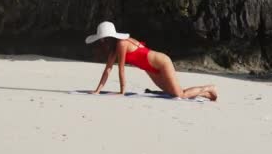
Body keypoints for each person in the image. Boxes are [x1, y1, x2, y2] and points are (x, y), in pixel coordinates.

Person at [85, 21, 218, 101]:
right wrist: (97, 90)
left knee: (179, 94)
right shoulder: (114, 49)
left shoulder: (121, 44)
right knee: (172, 93)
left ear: (110, 36)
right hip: (150, 69)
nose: (102, 41)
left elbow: (121, 69)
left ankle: (209, 87)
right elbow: (107, 70)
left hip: (162, 63)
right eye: (101, 39)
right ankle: (205, 94)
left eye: (103, 38)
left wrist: (122, 92)